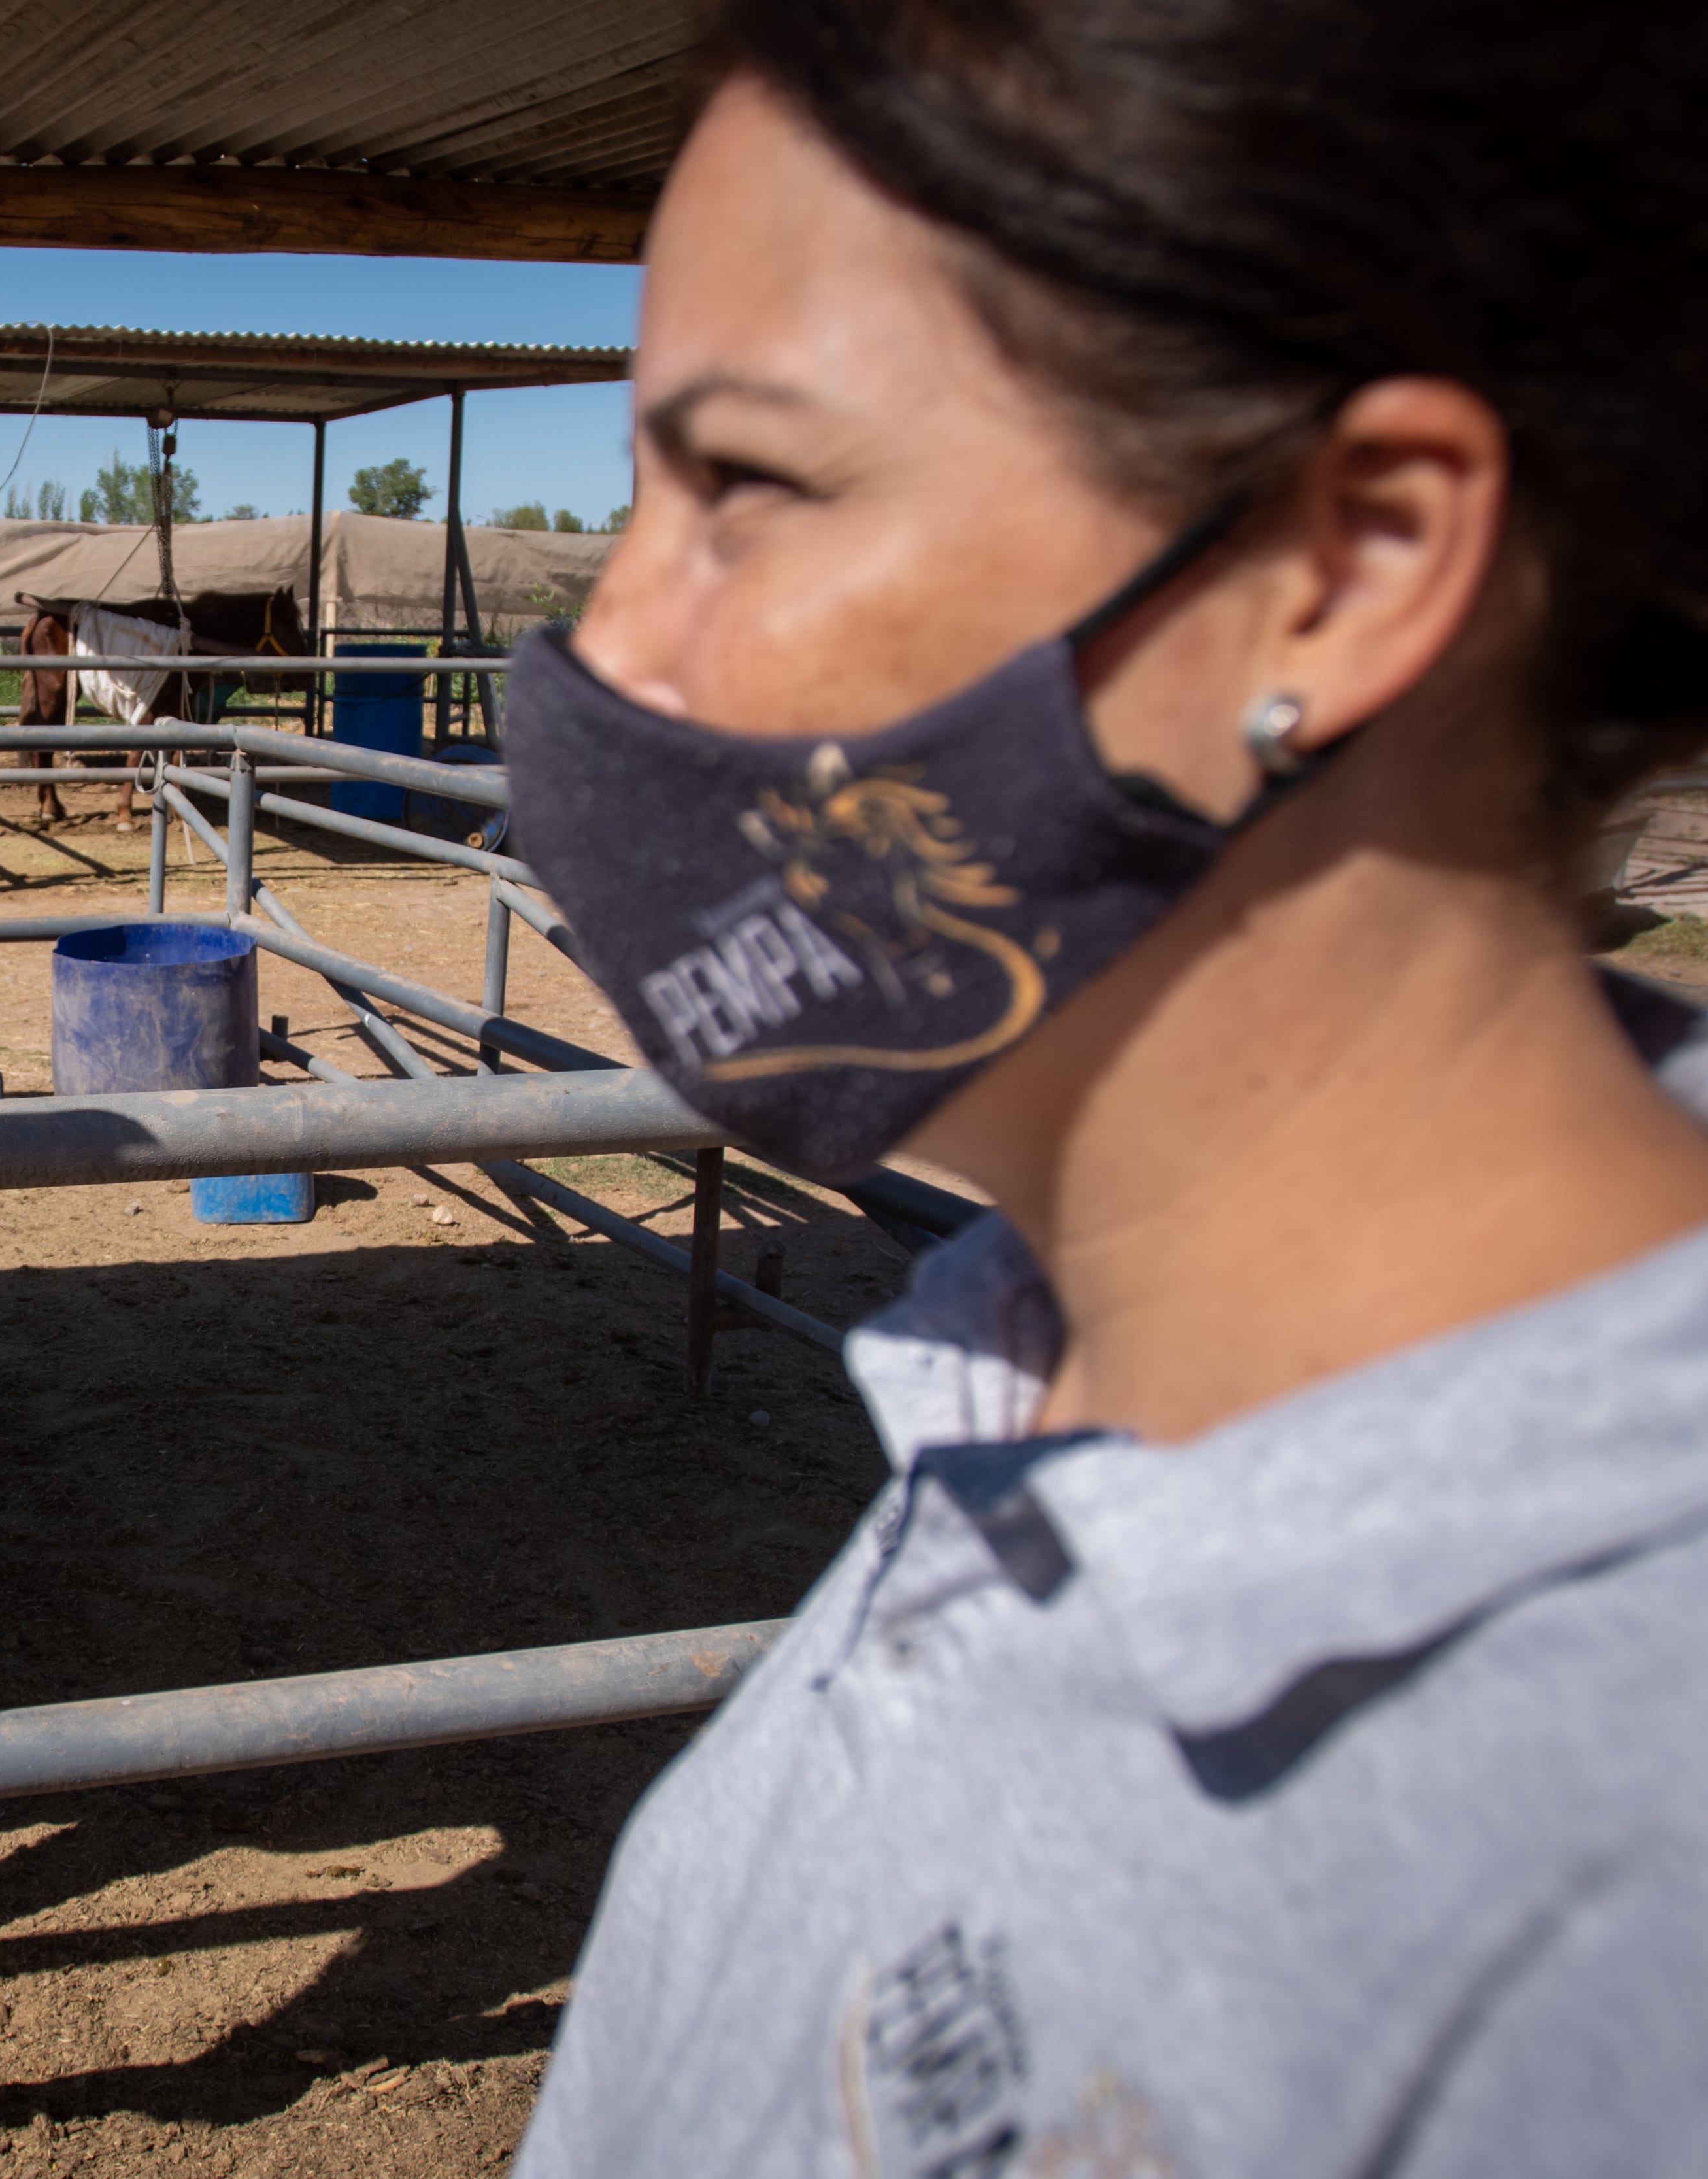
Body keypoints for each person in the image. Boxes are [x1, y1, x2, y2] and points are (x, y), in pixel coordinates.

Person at [498, 1, 1708, 2171]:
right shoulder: (1034, 1404)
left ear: (1341, 571)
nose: (605, 661)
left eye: (747, 486)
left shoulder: (1628, 1885)